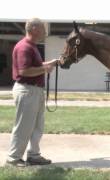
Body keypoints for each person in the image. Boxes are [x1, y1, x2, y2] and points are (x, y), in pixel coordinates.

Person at [6, 18, 59, 167]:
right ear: (34, 29)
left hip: (33, 90)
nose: (45, 31)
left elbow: (34, 66)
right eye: (43, 28)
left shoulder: (32, 46)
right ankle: (13, 158)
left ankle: (33, 155)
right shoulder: (25, 47)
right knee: (23, 126)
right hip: (27, 90)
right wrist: (44, 69)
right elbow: (24, 71)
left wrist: (50, 63)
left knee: (37, 126)